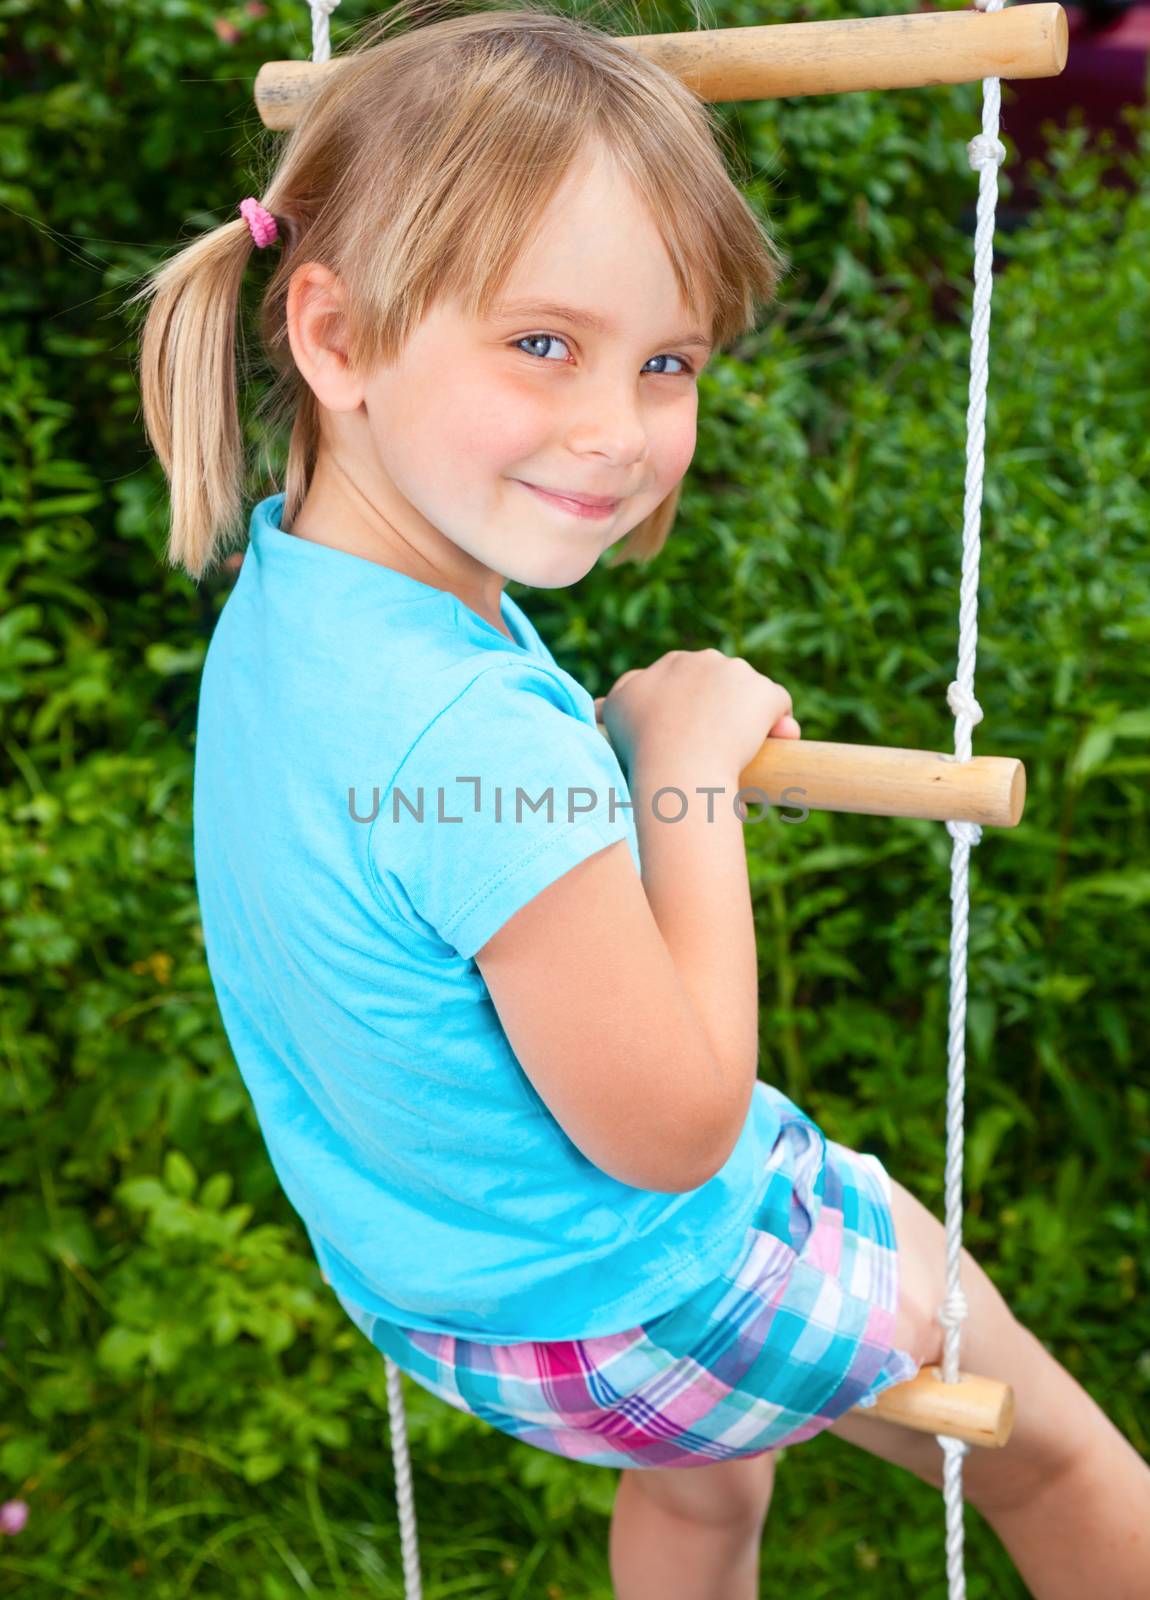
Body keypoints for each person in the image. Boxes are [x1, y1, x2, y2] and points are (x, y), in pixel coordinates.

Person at [126, 4, 1150, 1596]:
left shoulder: (295, 594)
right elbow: (675, 1130)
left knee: (703, 1487)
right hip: (625, 1303)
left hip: (433, 1287)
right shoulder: (478, 734)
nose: (616, 433)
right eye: (543, 344)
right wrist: (680, 781)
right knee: (1064, 1462)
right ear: (335, 340)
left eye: (664, 361)